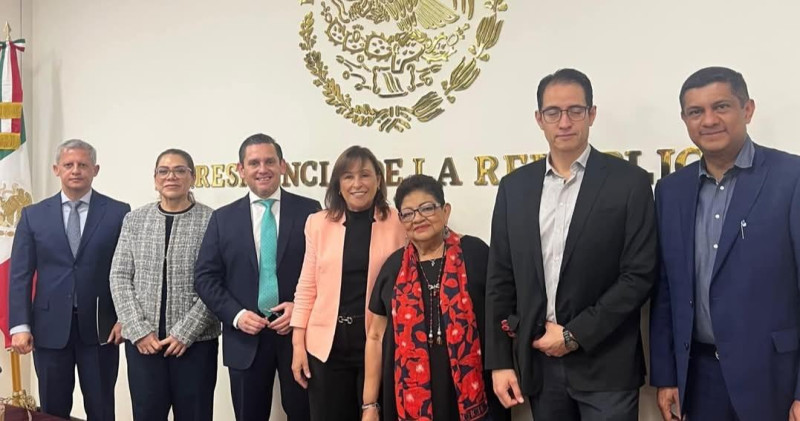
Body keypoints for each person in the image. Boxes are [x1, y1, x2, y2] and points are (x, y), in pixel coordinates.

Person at [485, 68, 658, 421]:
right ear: (539, 119)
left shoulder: (630, 183)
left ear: (591, 114)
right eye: (553, 112)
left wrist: (574, 334)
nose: (564, 122)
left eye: (575, 111)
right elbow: (500, 279)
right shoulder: (514, 188)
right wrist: (500, 361)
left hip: (607, 365)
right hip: (540, 363)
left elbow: (639, 275)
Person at [650, 66, 800, 421]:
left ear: (747, 109)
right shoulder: (671, 191)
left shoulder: (791, 177)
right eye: (695, 111)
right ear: (685, 120)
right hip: (699, 378)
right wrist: (667, 375)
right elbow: (666, 289)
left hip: (774, 378)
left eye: (721, 107)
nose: (709, 120)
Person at [362, 174, 511, 421]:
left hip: (476, 392)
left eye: (427, 208)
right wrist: (369, 405)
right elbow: (375, 336)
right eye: (408, 213)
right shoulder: (393, 267)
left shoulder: (475, 253)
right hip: (409, 398)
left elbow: (501, 317)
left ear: (445, 211)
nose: (418, 218)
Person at [194, 133, 321, 421]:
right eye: (253, 163)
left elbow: (325, 272)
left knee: (305, 414)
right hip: (244, 339)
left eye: (269, 161)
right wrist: (237, 315)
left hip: (299, 336)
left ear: (282, 166)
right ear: (241, 169)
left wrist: (300, 308)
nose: (262, 169)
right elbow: (205, 277)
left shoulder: (310, 211)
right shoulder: (222, 219)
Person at [8, 139, 131, 420]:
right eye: (68, 165)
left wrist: (125, 318)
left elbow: (128, 270)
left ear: (95, 170)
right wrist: (20, 325)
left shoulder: (118, 213)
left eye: (83, 165)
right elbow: (20, 275)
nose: (76, 170)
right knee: (53, 410)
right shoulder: (33, 215)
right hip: (48, 329)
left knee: (101, 408)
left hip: (101, 329)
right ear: (56, 170)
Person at [289, 146, 405, 420]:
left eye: (365, 175)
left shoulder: (399, 221)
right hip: (326, 346)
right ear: (338, 184)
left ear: (378, 180)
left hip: (379, 342)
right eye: (348, 176)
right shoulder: (317, 223)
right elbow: (307, 286)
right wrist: (297, 345)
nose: (357, 184)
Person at [110, 149, 219, 421]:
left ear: (193, 178)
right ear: (155, 179)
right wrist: (138, 329)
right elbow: (120, 276)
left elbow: (217, 282)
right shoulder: (135, 220)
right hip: (144, 345)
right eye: (164, 171)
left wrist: (186, 332)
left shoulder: (213, 221)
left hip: (195, 346)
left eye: (180, 170)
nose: (171, 176)